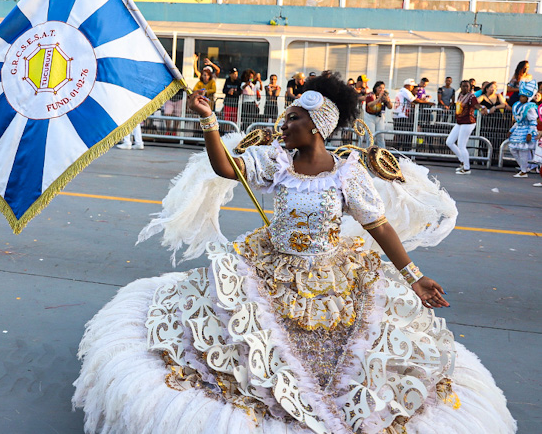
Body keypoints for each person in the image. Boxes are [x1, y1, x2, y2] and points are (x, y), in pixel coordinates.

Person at [74, 72, 515, 434]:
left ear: (317, 127)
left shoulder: (348, 173)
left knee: (346, 357)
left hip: (334, 275)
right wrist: (209, 120)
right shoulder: (275, 161)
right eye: (286, 119)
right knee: (249, 350)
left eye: (294, 120)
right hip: (270, 267)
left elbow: (378, 226)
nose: (284, 126)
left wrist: (413, 276)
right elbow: (226, 167)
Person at [447, 80, 484, 175]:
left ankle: (467, 168)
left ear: (470, 87)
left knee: (461, 146)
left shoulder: (471, 96)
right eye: (463, 86)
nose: (465, 88)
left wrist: (481, 109)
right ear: (460, 87)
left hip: (468, 123)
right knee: (449, 142)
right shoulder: (460, 95)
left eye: (467, 86)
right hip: (460, 122)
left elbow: (476, 104)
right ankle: (462, 161)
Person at [509, 81, 539, 178]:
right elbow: (518, 121)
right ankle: (524, 167)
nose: (521, 98)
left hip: (526, 131)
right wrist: (511, 130)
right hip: (518, 130)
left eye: (523, 96)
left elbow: (533, 121)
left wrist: (530, 133)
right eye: (520, 96)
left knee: (523, 151)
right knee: (513, 149)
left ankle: (524, 170)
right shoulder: (519, 106)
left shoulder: (530, 108)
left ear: (528, 98)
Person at [363, 80, 392, 147]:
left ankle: (382, 152)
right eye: (380, 88)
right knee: (370, 136)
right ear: (376, 88)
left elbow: (390, 107)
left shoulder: (385, 96)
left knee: (381, 136)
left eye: (383, 88)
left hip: (380, 116)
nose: (381, 90)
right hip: (370, 117)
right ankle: (369, 151)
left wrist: (387, 100)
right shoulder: (370, 95)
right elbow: (370, 104)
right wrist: (378, 99)